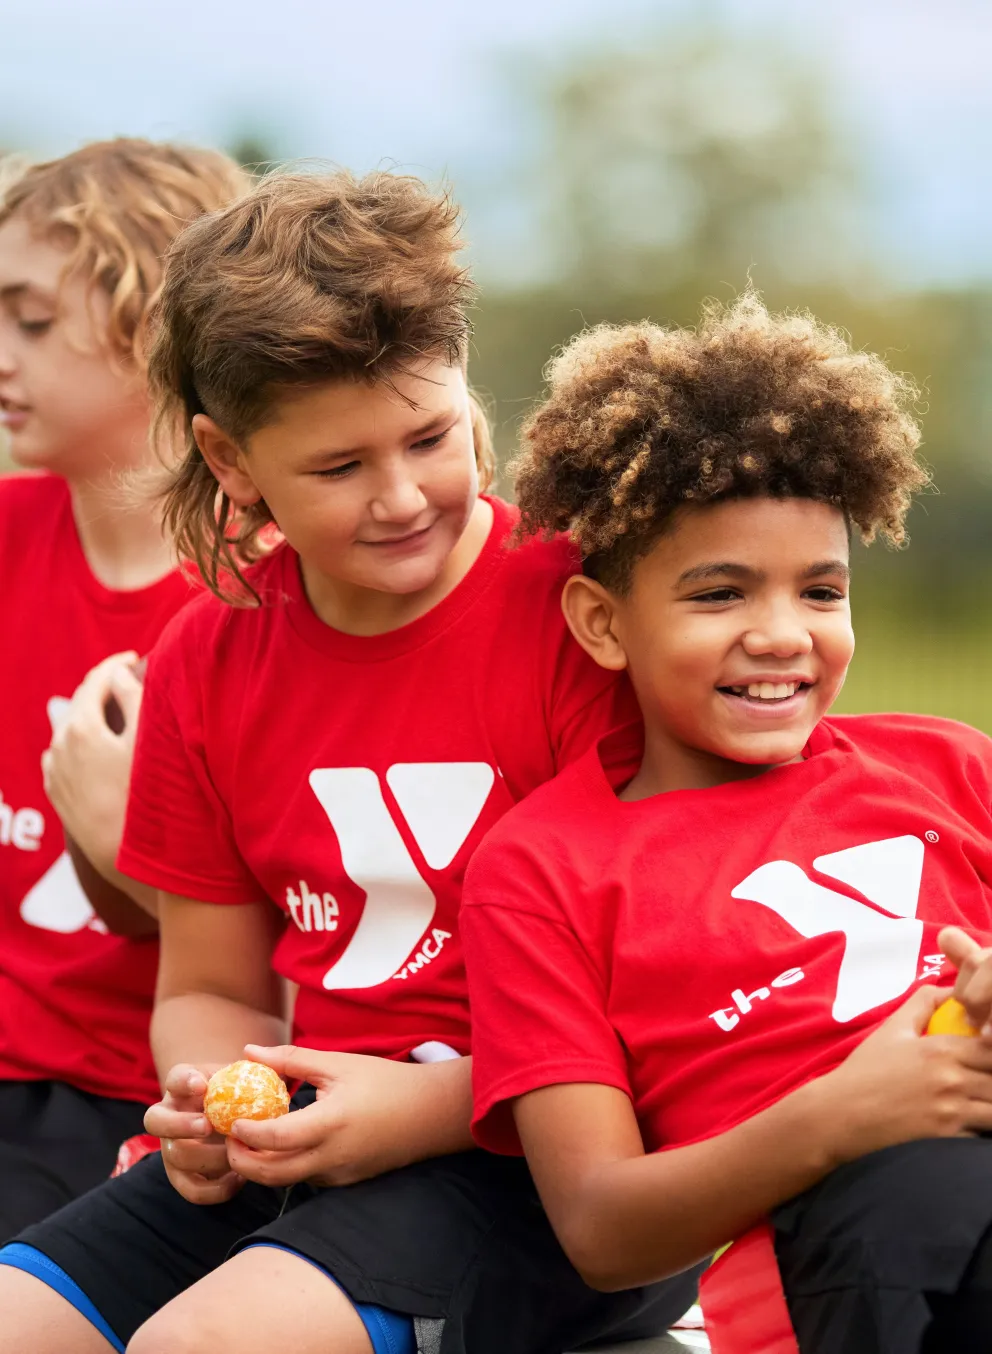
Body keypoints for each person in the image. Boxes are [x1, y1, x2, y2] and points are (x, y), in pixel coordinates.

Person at [0, 168, 701, 1354]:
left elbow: (668, 995)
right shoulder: (207, 657)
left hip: (540, 1162)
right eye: (336, 469)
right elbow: (208, 985)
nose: (400, 496)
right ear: (230, 462)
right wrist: (218, 1097)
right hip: (309, 1149)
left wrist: (424, 1107)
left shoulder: (585, 617)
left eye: (426, 437)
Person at [463, 294, 992, 1354]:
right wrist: (846, 1111)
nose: (779, 635)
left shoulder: (948, 766)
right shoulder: (540, 869)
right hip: (834, 1251)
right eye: (718, 594)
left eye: (819, 591)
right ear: (603, 623)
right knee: (916, 1191)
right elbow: (601, 1226)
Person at [0, 138, 246, 1236]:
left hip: (124, 1102)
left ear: (156, 324)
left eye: (33, 319)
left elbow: (293, 960)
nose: (2, 352)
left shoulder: (264, 597)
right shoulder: (11, 538)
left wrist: (118, 844)